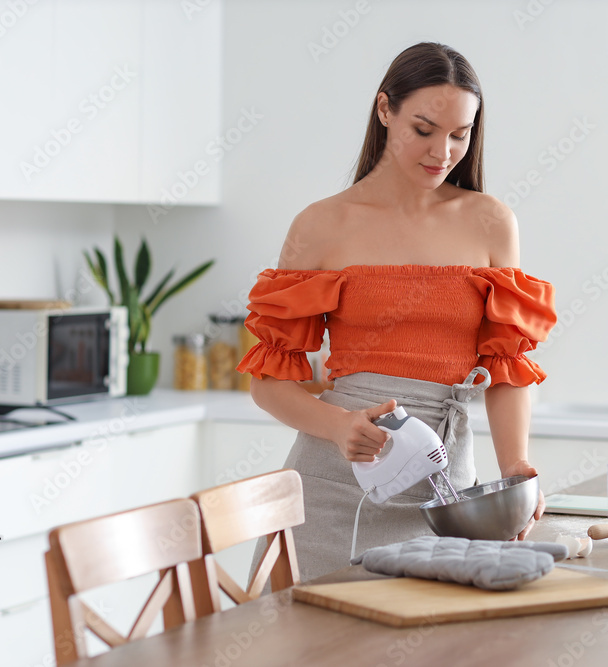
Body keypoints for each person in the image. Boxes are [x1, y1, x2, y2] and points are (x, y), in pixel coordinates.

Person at [237, 42, 557, 581]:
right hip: (332, 491)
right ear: (385, 111)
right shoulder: (321, 226)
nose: (444, 152)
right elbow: (267, 384)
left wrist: (515, 467)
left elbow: (506, 368)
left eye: (461, 134)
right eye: (425, 129)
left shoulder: (490, 223)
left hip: (446, 492)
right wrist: (340, 427)